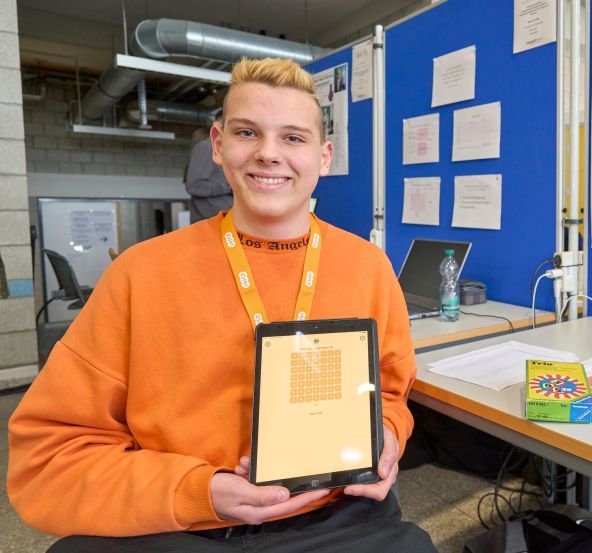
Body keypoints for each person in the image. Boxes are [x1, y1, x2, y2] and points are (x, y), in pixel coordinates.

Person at [7, 57, 436, 552]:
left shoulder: (368, 268)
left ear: (324, 156)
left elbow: (389, 394)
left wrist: (384, 436)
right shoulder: (140, 272)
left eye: (293, 138)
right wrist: (196, 491)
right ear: (218, 145)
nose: (269, 154)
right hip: (182, 523)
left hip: (336, 515)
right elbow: (49, 456)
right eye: (247, 133)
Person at [184, 115, 234, 223]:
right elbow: (194, 185)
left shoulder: (224, 150)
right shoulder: (207, 146)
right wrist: (229, 186)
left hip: (221, 222)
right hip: (210, 222)